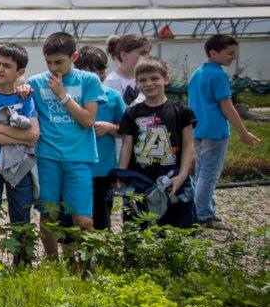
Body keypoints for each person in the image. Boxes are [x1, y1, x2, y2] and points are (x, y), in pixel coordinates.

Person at [28, 32, 102, 259]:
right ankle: (52, 263)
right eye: (48, 62)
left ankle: (86, 265)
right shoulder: (36, 82)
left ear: (74, 57)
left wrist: (62, 95)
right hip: (47, 158)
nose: (53, 68)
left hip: (79, 158)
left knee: (83, 219)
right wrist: (21, 88)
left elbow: (88, 121)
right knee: (48, 215)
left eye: (59, 62)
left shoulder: (89, 81)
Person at [187, 34, 260, 229]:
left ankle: (203, 210)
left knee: (202, 172)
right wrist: (243, 133)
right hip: (215, 131)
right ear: (213, 53)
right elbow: (227, 107)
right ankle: (203, 216)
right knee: (209, 174)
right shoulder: (219, 75)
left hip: (198, 130)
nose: (232, 57)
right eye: (229, 53)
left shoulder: (197, 72)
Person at [0, 43, 39, 262]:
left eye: (7, 66)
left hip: (20, 166)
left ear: (20, 72)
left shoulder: (25, 97)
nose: (0, 69)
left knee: (21, 216)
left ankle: (23, 265)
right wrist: (21, 137)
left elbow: (34, 134)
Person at [117, 57, 197, 227]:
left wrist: (182, 175)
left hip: (171, 178)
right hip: (139, 180)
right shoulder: (131, 113)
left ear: (166, 79)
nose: (149, 84)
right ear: (136, 83)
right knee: (136, 228)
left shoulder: (182, 112)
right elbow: (126, 146)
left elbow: (189, 145)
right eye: (142, 80)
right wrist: (121, 175)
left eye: (154, 78)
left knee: (175, 228)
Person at [73, 45, 126, 229]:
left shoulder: (113, 97)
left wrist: (110, 127)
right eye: (90, 71)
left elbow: (126, 131)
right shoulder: (71, 98)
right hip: (75, 166)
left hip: (103, 169)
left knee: (101, 215)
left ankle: (101, 246)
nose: (96, 76)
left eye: (101, 71)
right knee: (73, 217)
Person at [103, 34, 150, 105]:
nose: (147, 57)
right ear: (124, 55)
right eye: (142, 53)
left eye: (147, 53)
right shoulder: (112, 81)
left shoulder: (142, 77)